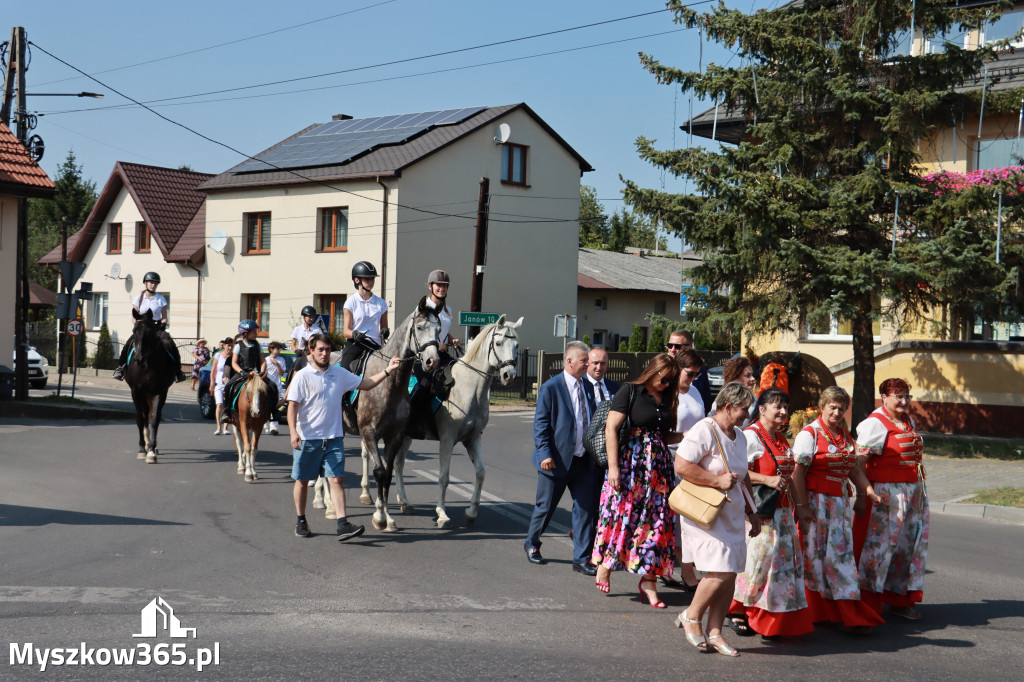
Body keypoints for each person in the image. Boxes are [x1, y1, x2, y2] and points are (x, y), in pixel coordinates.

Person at [674, 382, 761, 657]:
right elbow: (681, 465)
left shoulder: (740, 436)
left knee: (730, 574)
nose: (747, 415)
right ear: (728, 407)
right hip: (705, 513)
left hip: (732, 513)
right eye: (744, 409)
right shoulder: (704, 429)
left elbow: (743, 475)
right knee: (721, 570)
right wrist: (715, 480)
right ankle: (691, 615)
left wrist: (752, 511)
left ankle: (715, 632)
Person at [289, 333, 400, 540]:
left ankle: (342, 524)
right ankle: (301, 521)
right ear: (311, 351)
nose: (324, 353)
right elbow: (293, 405)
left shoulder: (339, 374)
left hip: (333, 438)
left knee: (337, 480)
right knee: (302, 481)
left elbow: (365, 383)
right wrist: (293, 433)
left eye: (328, 350)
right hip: (308, 438)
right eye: (320, 350)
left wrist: (387, 370)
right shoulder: (302, 376)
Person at [591, 354, 681, 609]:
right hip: (630, 466)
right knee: (621, 516)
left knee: (657, 523)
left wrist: (687, 435)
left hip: (659, 470)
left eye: (671, 381)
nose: (667, 384)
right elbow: (611, 428)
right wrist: (613, 468)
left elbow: (664, 435)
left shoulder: (668, 397)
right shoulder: (629, 391)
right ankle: (606, 564)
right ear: (652, 372)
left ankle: (649, 582)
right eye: (664, 379)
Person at [791, 386, 883, 633]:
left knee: (839, 557)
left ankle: (845, 613)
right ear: (822, 406)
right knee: (814, 558)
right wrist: (802, 507)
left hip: (838, 506)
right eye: (832, 407)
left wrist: (867, 491)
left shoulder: (844, 435)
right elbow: (797, 473)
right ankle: (817, 612)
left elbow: (853, 469)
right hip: (815, 505)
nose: (837, 412)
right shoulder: (809, 434)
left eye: (841, 408)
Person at [727, 388, 814, 638]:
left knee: (777, 567)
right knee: (755, 563)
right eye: (777, 406)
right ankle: (737, 609)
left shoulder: (780, 438)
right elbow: (737, 470)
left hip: (783, 512)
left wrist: (800, 506)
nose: (783, 411)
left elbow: (788, 477)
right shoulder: (750, 436)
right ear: (762, 409)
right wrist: (766, 478)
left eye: (785, 406)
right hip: (759, 512)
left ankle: (769, 615)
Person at [853, 378, 929, 621]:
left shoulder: (907, 420)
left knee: (908, 547)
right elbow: (859, 463)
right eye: (898, 396)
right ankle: (867, 603)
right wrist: (863, 495)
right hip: (886, 495)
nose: (904, 401)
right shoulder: (874, 424)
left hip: (913, 492)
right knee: (879, 547)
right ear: (884, 397)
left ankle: (899, 599)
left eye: (907, 395)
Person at [524, 341, 600, 575]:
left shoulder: (587, 386)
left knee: (586, 509)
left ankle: (582, 559)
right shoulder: (551, 387)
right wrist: (544, 453)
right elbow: (542, 424)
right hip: (556, 460)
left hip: (584, 460)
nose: (588, 364)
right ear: (570, 361)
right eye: (584, 360)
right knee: (545, 507)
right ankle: (532, 543)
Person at [664, 349, 707, 591]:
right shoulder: (667, 393)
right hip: (672, 461)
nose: (692, 379)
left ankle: (673, 568)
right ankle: (686, 573)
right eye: (689, 374)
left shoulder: (694, 391)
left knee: (688, 518)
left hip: (694, 462)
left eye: (696, 375)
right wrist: (682, 436)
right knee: (678, 520)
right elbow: (658, 433)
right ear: (677, 369)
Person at [112, 271, 186, 383]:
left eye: (156, 283)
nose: (153, 285)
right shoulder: (138, 299)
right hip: (142, 328)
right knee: (128, 343)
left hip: (156, 328)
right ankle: (121, 368)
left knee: (170, 344)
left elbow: (164, 317)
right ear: (145, 283)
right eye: (151, 282)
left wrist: (163, 324)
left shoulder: (161, 299)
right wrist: (137, 325)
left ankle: (178, 371)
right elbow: (134, 317)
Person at [221, 320, 273, 423]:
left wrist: (262, 371)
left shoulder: (258, 346)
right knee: (228, 387)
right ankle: (227, 412)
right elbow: (234, 363)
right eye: (254, 331)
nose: (256, 334)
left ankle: (272, 411)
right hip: (242, 373)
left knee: (272, 386)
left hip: (256, 374)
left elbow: (263, 361)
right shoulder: (238, 346)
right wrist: (241, 372)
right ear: (246, 333)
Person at [341, 261, 389, 372]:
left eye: (373, 279)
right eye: (368, 279)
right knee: (344, 373)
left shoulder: (381, 303)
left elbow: (384, 328)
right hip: (355, 343)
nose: (371, 282)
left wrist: (385, 332)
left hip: (374, 345)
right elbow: (345, 331)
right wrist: (354, 334)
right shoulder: (351, 302)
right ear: (357, 280)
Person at [666, 330, 711, 413]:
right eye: (670, 345)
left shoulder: (701, 370)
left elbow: (706, 400)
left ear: (689, 347)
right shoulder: (662, 370)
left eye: (677, 346)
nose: (672, 350)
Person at [710, 357, 758, 426]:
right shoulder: (720, 402)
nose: (753, 378)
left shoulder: (755, 400)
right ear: (735, 378)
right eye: (748, 375)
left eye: (752, 375)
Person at [210, 337, 233, 435]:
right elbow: (213, 370)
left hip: (230, 385)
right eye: (228, 345)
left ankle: (225, 428)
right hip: (219, 383)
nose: (230, 348)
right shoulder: (218, 356)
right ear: (224, 345)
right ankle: (218, 427)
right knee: (219, 404)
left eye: (232, 346)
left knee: (227, 406)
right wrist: (212, 383)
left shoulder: (234, 357)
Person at [263, 341, 287, 435]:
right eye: (277, 349)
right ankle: (266, 424)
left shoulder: (281, 360)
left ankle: (274, 427)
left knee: (275, 406)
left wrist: (276, 364)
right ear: (271, 349)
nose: (279, 351)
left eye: (279, 349)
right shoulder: (265, 360)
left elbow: (281, 373)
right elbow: (263, 372)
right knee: (265, 406)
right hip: (266, 386)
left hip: (276, 387)